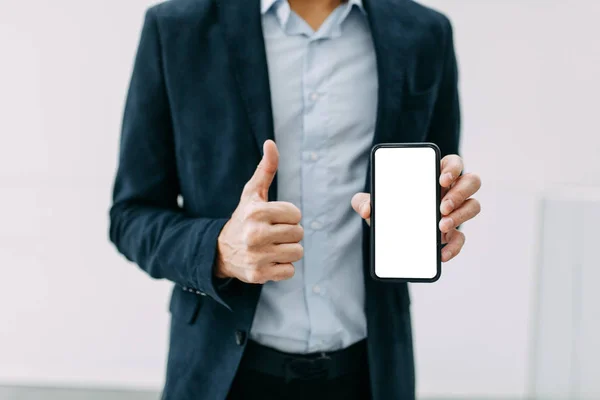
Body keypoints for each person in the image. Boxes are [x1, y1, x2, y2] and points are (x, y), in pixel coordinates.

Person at [109, 0, 482, 398]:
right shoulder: (177, 28)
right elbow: (130, 216)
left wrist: (442, 220)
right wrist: (217, 250)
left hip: (371, 373)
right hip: (223, 374)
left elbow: (436, 195)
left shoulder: (425, 32)